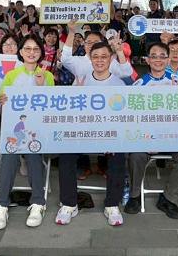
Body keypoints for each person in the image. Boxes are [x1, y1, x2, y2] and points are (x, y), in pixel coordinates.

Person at [55, 41, 128, 227]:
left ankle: (112, 204)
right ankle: (69, 204)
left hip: (109, 134)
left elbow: (124, 116)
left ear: (111, 59)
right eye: (95, 57)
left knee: (118, 155)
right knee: (65, 155)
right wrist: (76, 94)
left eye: (104, 56)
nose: (99, 60)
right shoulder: (81, 80)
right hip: (82, 133)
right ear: (90, 58)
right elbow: (71, 111)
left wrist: (112, 135)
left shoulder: (119, 84)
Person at [0, 35, 53, 229]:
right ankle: (1, 205)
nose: (31, 52)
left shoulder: (48, 76)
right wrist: (3, 104)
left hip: (39, 130)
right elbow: (3, 111)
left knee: (34, 155)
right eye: (27, 48)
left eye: (36, 49)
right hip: (15, 128)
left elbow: (50, 108)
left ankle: (38, 203)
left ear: (41, 52)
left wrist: (41, 86)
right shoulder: (11, 75)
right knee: (9, 156)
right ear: (21, 52)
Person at [124, 42, 178, 219]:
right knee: (136, 155)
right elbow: (132, 117)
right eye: (153, 56)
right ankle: (134, 195)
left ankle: (169, 198)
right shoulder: (139, 84)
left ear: (168, 59)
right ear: (147, 60)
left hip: (173, 136)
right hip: (148, 137)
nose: (158, 60)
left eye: (162, 56)